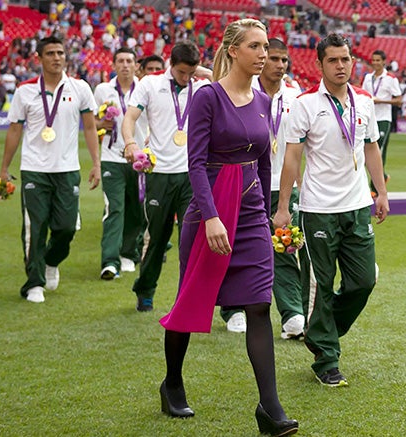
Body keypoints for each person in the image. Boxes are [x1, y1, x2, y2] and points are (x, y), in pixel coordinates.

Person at [154, 19, 299, 436]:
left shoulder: (263, 100)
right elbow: (194, 162)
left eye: (265, 48)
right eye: (255, 47)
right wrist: (211, 214)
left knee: (258, 304)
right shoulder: (207, 97)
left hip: (252, 210)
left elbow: (266, 159)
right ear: (233, 50)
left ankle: (270, 409)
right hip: (210, 211)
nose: (263, 55)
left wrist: (272, 210)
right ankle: (173, 383)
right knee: (191, 299)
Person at [274, 33, 389, 387]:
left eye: (346, 59)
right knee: (320, 285)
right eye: (333, 60)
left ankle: (322, 332)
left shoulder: (365, 102)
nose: (341, 66)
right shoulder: (305, 104)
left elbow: (371, 148)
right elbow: (292, 156)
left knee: (363, 281)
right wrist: (283, 208)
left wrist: (381, 192)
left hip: (357, 208)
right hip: (317, 208)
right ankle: (326, 359)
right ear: (320, 64)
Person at [0, 35, 101, 303]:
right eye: (51, 53)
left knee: (67, 228)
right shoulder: (25, 90)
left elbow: (90, 127)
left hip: (67, 170)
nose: (57, 58)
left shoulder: (80, 88)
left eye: (60, 53)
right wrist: (4, 168)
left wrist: (96, 164)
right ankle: (34, 283)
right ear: (39, 58)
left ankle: (51, 261)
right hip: (34, 169)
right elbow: (15, 130)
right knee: (35, 227)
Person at [220, 37, 305, 337]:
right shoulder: (241, 91)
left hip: (281, 183)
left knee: (284, 246)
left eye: (283, 60)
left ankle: (292, 312)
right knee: (236, 246)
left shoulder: (295, 96)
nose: (279, 65)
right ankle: (233, 308)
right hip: (243, 183)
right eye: (273, 58)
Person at [121, 40, 210, 312]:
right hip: (159, 173)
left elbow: (227, 80)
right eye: (182, 72)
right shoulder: (150, 84)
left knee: (191, 240)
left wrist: (202, 73)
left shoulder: (202, 86)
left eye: (190, 72)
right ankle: (145, 289)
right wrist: (130, 143)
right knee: (157, 238)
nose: (186, 78)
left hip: (192, 174)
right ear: (171, 65)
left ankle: (188, 298)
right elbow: (130, 118)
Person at [94, 47, 148, 280]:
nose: (125, 65)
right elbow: (93, 122)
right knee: (114, 208)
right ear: (114, 65)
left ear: (136, 65)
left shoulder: (146, 88)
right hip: (111, 158)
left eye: (129, 61)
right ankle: (109, 261)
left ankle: (128, 253)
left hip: (140, 159)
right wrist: (100, 124)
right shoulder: (103, 90)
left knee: (137, 211)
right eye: (120, 61)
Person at [361, 49, 402, 196]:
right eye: (374, 60)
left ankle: (375, 189)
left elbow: (399, 100)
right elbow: (363, 95)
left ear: (384, 62)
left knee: (379, 152)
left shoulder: (390, 79)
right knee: (365, 153)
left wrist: (380, 101)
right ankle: (383, 177)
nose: (376, 63)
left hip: (384, 119)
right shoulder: (367, 78)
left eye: (378, 60)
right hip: (369, 118)